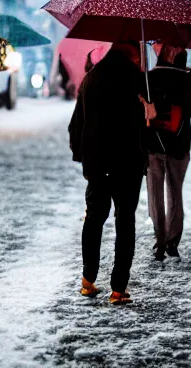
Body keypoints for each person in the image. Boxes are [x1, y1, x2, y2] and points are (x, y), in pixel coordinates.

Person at [68, 41, 155, 305]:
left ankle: (88, 280)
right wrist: (149, 114)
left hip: (97, 164)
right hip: (127, 164)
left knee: (94, 218)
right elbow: (145, 127)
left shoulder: (91, 78)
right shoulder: (139, 81)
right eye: (139, 52)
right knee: (125, 221)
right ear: (130, 52)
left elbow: (76, 125)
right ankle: (118, 289)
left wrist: (82, 155)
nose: (141, 57)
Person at [146, 44, 191, 261]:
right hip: (179, 142)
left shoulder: (150, 76)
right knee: (175, 191)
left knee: (155, 192)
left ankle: (158, 240)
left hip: (153, 141)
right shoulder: (190, 76)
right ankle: (172, 240)